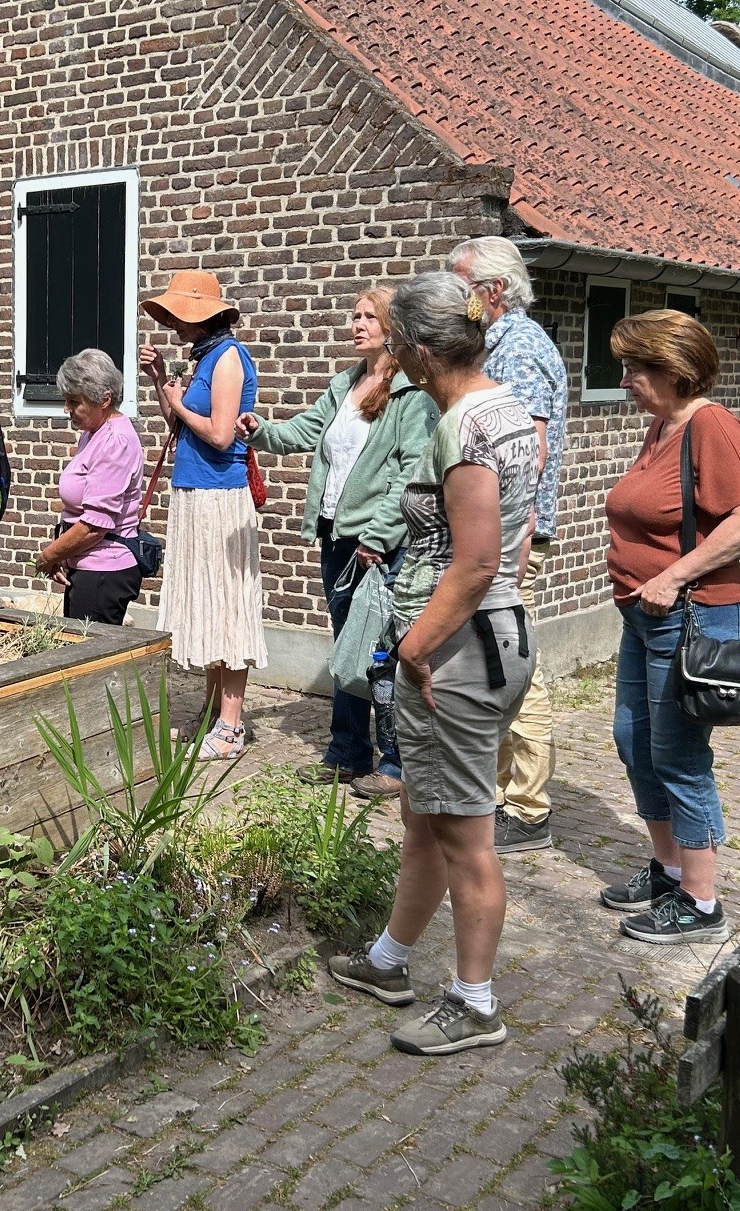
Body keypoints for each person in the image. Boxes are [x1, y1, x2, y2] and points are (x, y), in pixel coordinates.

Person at [328, 271, 539, 1056]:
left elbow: (477, 560)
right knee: (428, 814)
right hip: (489, 638)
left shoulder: (460, 428)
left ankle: (476, 1003)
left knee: (464, 835)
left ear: (417, 349)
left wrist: (413, 646)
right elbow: (510, 537)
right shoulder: (505, 405)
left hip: (455, 650)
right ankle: (389, 961)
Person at [601, 309, 740, 945]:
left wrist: (674, 576)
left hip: (691, 613)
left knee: (677, 754)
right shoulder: (663, 426)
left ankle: (702, 901)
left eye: (634, 368)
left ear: (673, 371)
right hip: (644, 615)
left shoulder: (710, 424)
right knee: (632, 738)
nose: (624, 379)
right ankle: (669, 867)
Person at [239, 287, 436, 797]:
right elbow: (304, 432)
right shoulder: (345, 384)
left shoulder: (410, 396)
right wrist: (260, 430)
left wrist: (379, 535)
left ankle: (396, 764)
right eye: (355, 314)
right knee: (350, 649)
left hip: (376, 544)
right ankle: (348, 754)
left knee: (379, 652)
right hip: (336, 537)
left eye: (370, 316)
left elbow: (413, 474)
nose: (357, 323)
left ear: (393, 327)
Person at [450, 237, 568, 856]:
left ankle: (527, 807)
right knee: (498, 663)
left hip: (509, 534)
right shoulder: (498, 345)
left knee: (516, 666)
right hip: (498, 534)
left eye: (461, 285)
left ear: (493, 292)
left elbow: (527, 452)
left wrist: (512, 540)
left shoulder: (519, 351)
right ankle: (501, 795)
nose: (454, 296)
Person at [138, 270, 266, 758]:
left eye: (177, 315)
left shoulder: (229, 358)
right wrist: (161, 383)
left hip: (220, 496)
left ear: (202, 316)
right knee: (209, 606)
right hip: (194, 492)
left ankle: (231, 726)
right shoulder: (205, 357)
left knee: (227, 608)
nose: (172, 324)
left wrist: (176, 399)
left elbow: (220, 435)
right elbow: (178, 424)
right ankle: (214, 711)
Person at [32, 348, 146, 625]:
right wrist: (64, 553)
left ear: (104, 399)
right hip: (85, 566)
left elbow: (96, 525)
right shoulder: (93, 433)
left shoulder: (114, 441)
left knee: (89, 662)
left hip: (103, 570)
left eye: (74, 401)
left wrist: (49, 556)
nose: (66, 409)